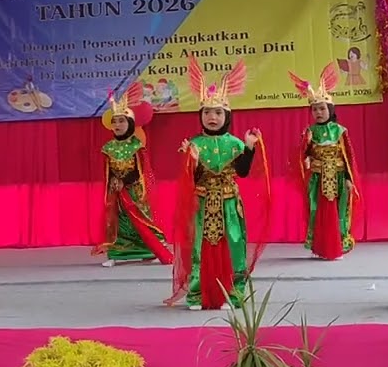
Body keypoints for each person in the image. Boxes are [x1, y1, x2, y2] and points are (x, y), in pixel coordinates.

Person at [167, 57, 271, 311]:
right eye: (206, 112)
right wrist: (191, 162)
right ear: (199, 115)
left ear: (226, 115)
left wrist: (248, 148)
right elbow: (189, 181)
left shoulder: (235, 143)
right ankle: (196, 294)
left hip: (229, 205)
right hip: (202, 204)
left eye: (217, 113)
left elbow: (243, 173)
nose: (212, 117)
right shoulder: (194, 144)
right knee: (200, 249)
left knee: (233, 246)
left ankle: (233, 295)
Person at [92, 82, 173, 268]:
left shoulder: (137, 145)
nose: (118, 125)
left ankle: (148, 251)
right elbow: (108, 170)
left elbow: (140, 170)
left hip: (135, 191)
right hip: (116, 192)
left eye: (122, 121)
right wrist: (114, 184)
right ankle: (116, 254)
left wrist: (125, 181)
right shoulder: (108, 147)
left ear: (129, 123)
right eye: (115, 121)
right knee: (117, 223)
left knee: (140, 222)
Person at [289, 65, 362, 260]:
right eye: (314, 109)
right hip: (318, 178)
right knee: (317, 211)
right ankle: (321, 247)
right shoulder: (309, 131)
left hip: (338, 178)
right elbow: (301, 156)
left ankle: (337, 246)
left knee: (338, 212)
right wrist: (305, 144)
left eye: (322, 108)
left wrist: (348, 177)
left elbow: (349, 157)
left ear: (330, 109)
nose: (318, 112)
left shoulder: (341, 131)